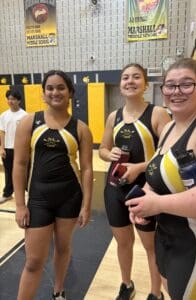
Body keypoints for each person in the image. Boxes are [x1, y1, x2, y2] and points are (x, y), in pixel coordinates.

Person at [126, 58, 196, 299]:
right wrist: (145, 195)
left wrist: (157, 204)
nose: (176, 92)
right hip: (167, 237)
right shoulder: (170, 127)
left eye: (186, 84)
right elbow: (157, 171)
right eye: (170, 85)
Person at [13, 70, 93, 300]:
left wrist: (86, 206)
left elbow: (87, 169)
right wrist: (20, 204)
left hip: (69, 198)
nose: (55, 92)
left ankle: (59, 291)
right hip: (39, 200)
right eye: (50, 88)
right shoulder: (30, 122)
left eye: (60, 88)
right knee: (34, 261)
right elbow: (19, 164)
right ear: (43, 93)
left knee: (63, 248)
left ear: (70, 93)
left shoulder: (81, 129)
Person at [99, 63, 171, 300]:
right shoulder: (114, 116)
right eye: (125, 78)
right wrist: (109, 155)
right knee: (123, 242)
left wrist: (139, 167)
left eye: (136, 77)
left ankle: (154, 292)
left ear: (146, 84)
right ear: (120, 85)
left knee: (150, 246)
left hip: (144, 190)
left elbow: (167, 153)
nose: (130, 81)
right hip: (114, 189)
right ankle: (126, 284)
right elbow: (103, 149)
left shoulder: (158, 114)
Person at [0, 89, 27, 204]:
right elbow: (2, 132)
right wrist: (2, 147)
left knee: (24, 171)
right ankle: (7, 194)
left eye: (13, 99)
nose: (10, 101)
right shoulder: (4, 115)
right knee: (8, 171)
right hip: (7, 149)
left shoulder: (25, 115)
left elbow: (27, 134)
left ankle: (28, 192)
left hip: (20, 149)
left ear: (19, 101)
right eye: (9, 99)